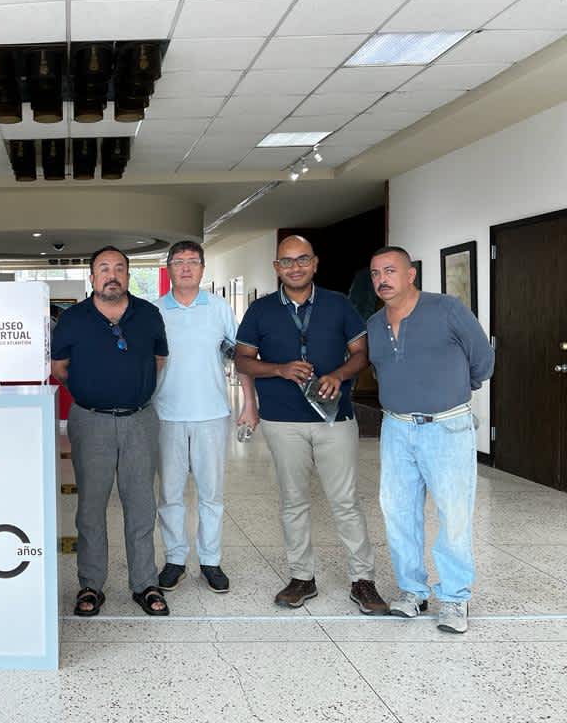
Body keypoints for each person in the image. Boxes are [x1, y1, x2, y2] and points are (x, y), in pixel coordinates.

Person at [235, 236, 387, 615]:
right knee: (293, 501)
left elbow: (361, 353)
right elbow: (242, 360)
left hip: (336, 418)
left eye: (302, 259)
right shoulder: (260, 310)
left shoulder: (339, 304)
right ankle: (301, 577)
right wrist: (279, 369)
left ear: (315, 263)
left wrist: (339, 374)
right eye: (287, 261)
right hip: (282, 420)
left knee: (346, 501)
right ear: (277, 268)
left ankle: (363, 579)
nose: (295, 267)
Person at [368, 246, 495, 634]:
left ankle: (454, 597)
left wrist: (452, 391)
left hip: (446, 427)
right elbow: (382, 370)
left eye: (390, 271)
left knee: (453, 514)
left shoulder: (447, 309)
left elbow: (482, 360)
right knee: (398, 512)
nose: (382, 280)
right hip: (396, 428)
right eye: (375, 274)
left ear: (411, 275)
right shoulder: (374, 323)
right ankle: (412, 591)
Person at [51, 246, 169, 617]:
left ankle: (145, 584)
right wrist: (93, 391)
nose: (112, 275)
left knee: (141, 506)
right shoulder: (73, 319)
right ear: (92, 277)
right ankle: (91, 585)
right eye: (104, 268)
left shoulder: (148, 315)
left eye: (119, 268)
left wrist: (131, 387)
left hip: (139, 421)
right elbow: (59, 368)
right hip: (91, 422)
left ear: (128, 276)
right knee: (90, 508)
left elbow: (159, 359)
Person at [153, 240, 258, 594]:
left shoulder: (218, 308)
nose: (186, 267)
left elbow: (240, 357)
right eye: (179, 262)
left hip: (212, 414)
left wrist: (249, 402)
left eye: (193, 262)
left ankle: (211, 561)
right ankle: (175, 560)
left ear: (202, 268)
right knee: (170, 494)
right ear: (169, 268)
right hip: (166, 415)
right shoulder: (155, 311)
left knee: (211, 494)